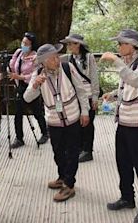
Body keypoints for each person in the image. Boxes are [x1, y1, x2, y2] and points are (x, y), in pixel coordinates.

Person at [24, 44, 90, 202]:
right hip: (54, 121)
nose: (56, 59)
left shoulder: (68, 68)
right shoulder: (38, 75)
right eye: (52, 58)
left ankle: (69, 184)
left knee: (72, 152)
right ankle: (62, 176)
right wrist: (35, 85)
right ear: (43, 62)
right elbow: (27, 98)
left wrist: (85, 112)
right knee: (58, 152)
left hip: (73, 117)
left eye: (57, 56)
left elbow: (81, 90)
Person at [100, 29, 138, 223]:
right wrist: (113, 94)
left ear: (132, 45)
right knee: (123, 163)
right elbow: (127, 85)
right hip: (123, 123)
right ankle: (127, 197)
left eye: (121, 43)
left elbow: (137, 80)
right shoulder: (130, 64)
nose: (119, 47)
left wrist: (115, 61)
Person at [60, 33, 100, 162]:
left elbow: (94, 77)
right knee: (77, 123)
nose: (69, 46)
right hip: (75, 96)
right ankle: (80, 148)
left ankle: (88, 150)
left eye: (71, 43)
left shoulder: (89, 58)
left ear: (78, 44)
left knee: (88, 124)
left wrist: (95, 97)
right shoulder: (67, 58)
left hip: (88, 94)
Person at [9, 32, 49, 148]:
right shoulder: (18, 53)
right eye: (23, 42)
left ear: (32, 45)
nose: (23, 45)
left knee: (36, 111)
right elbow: (13, 66)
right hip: (19, 87)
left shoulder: (36, 56)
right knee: (18, 113)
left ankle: (45, 132)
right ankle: (19, 138)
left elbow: (35, 74)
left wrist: (21, 77)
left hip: (31, 87)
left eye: (26, 43)